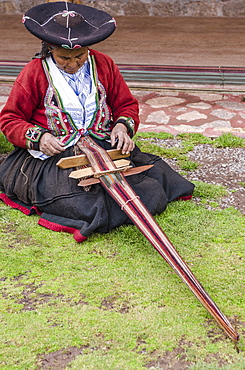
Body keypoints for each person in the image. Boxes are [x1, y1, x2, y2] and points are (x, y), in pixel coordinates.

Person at [0, 2, 194, 242]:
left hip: (102, 145)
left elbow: (126, 105)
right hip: (57, 154)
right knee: (86, 204)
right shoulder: (34, 72)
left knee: (152, 187)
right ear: (50, 49)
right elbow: (10, 119)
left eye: (79, 56)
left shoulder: (104, 65)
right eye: (64, 58)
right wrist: (40, 138)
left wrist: (122, 127)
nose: (72, 64)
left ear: (88, 48)